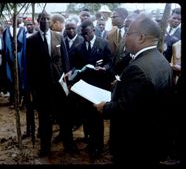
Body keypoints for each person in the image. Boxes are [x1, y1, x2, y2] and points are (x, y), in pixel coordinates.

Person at [94, 14, 173, 166]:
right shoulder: (160, 59)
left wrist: (104, 107)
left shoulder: (138, 67)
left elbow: (125, 109)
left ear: (141, 37)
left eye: (128, 33)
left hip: (134, 143)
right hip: (152, 138)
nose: (124, 37)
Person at [26, 10, 75, 157]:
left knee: (64, 116)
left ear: (50, 21)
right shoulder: (31, 40)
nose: (45, 21)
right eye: (42, 19)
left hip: (59, 83)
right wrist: (32, 88)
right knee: (45, 118)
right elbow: (30, 65)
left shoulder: (58, 37)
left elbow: (65, 60)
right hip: (42, 86)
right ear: (38, 21)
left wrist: (67, 78)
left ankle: (68, 145)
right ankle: (45, 148)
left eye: (47, 19)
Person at [68, 19, 112, 159]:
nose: (84, 36)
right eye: (83, 33)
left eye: (86, 33)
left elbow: (110, 62)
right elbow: (75, 65)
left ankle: (98, 146)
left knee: (97, 118)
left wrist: (104, 68)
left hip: (98, 87)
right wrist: (72, 72)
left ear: (93, 30)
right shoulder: (79, 47)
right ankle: (90, 141)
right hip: (84, 88)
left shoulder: (103, 44)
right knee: (87, 116)